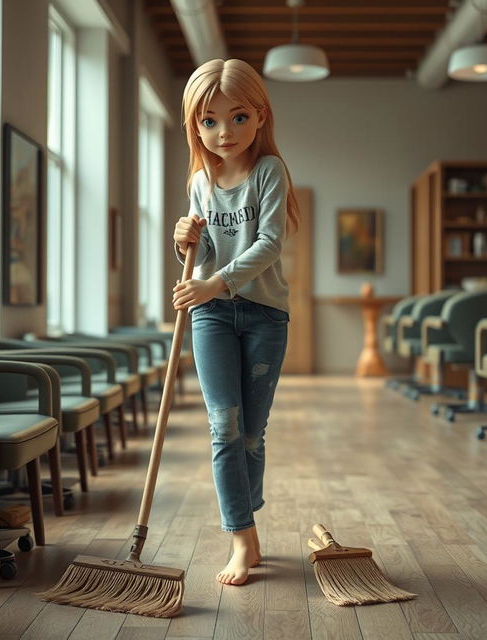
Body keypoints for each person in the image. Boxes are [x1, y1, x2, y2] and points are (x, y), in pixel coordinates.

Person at [172, 58, 299, 586]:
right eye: (209, 120)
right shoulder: (201, 180)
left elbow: (270, 244)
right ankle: (241, 537)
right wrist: (183, 240)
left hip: (265, 315)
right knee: (223, 427)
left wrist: (214, 280)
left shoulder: (270, 172)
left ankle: (248, 525)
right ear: (195, 125)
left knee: (250, 433)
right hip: (211, 315)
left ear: (261, 116)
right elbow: (199, 257)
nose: (225, 131)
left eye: (238, 117)